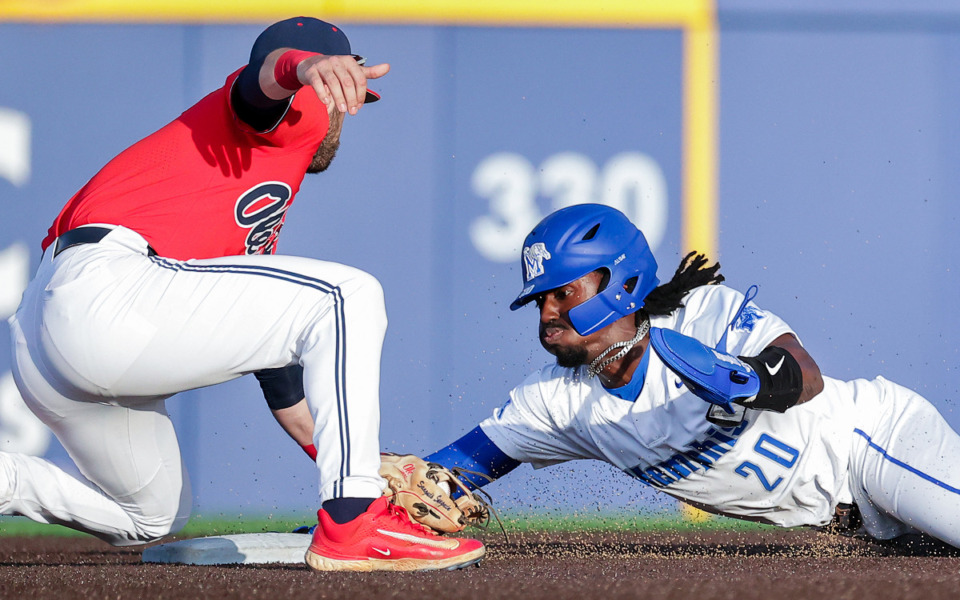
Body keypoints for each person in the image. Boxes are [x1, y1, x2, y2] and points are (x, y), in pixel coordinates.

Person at [2, 16, 484, 572]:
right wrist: (303, 69)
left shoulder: (250, 202)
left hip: (48, 345)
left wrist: (371, 462)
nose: (344, 118)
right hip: (103, 289)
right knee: (348, 294)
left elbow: (281, 369)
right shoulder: (281, 113)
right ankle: (354, 519)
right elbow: (259, 88)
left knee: (150, 516)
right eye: (342, 95)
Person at [423, 202, 960, 549]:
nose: (546, 313)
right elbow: (444, 476)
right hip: (852, 525)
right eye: (540, 298)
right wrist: (372, 490)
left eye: (564, 293)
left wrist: (750, 380)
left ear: (619, 281)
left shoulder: (701, 316)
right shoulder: (555, 403)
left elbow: (806, 374)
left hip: (875, 444)